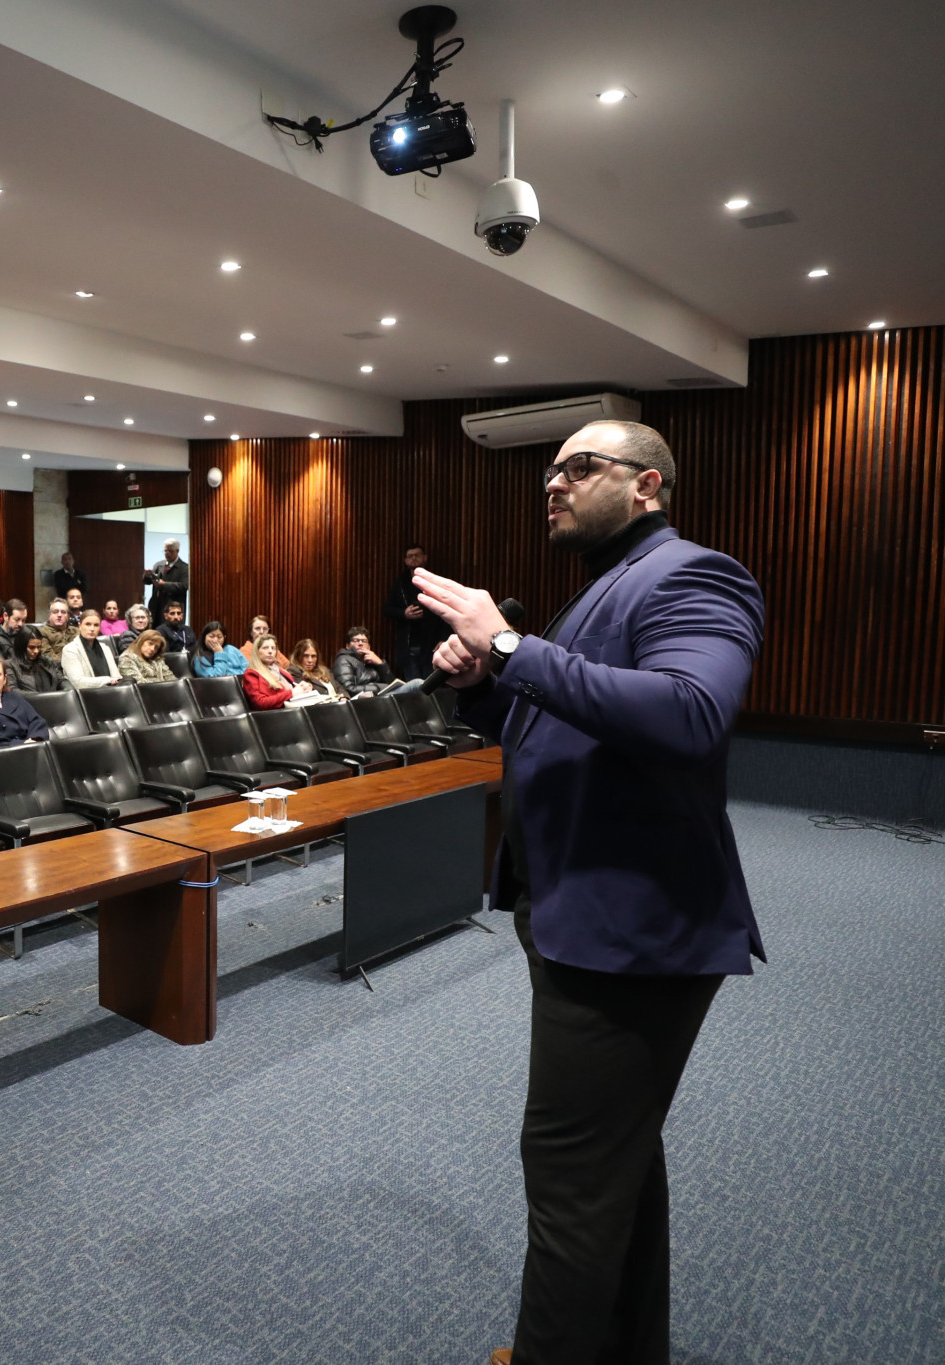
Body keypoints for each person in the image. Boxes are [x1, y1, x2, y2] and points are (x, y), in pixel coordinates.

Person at [417, 419, 765, 1365]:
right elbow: (561, 720)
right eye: (548, 474)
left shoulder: (694, 573)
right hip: (583, 911)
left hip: (632, 930)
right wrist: (487, 680)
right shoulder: (603, 586)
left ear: (647, 484)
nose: (552, 485)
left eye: (579, 467)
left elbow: (690, 715)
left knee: (569, 1173)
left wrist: (514, 645)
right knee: (614, 1160)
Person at [383, 542, 445, 682]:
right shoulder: (399, 585)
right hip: (409, 645)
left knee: (432, 687)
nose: (414, 559)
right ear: (405, 561)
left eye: (417, 555)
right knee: (414, 690)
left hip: (432, 645)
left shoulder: (435, 582)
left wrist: (444, 638)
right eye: (410, 556)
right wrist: (404, 613)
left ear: (425, 558)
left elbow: (445, 612)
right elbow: (387, 609)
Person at [333, 625, 415, 698]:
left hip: (380, 698)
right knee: (415, 684)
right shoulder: (343, 659)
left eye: (364, 641)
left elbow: (392, 684)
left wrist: (380, 664)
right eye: (355, 640)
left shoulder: (371, 661)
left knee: (416, 689)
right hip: (363, 700)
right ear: (347, 646)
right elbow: (347, 689)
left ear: (368, 647)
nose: (360, 643)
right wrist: (378, 688)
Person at [242, 634, 315, 710]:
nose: (270, 651)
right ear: (257, 651)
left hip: (292, 709)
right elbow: (260, 703)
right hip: (273, 716)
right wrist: (292, 693)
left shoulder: (281, 671)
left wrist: (304, 688)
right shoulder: (251, 674)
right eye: (265, 648)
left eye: (273, 648)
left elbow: (293, 690)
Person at [60, 610, 123, 689]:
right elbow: (78, 683)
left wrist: (113, 681)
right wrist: (107, 680)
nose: (92, 629)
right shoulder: (70, 650)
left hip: (111, 692)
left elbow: (116, 677)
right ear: (79, 626)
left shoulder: (106, 648)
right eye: (88, 624)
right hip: (84, 696)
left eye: (96, 625)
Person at [6, 627, 64, 693]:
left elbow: (61, 680)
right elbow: (13, 690)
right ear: (22, 646)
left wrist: (68, 689)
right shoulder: (10, 665)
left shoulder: (46, 661)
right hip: (27, 702)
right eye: (31, 647)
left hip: (52, 700)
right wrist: (40, 697)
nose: (36, 651)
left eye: (39, 647)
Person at [143, 538, 189, 618]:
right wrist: (147, 575)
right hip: (156, 606)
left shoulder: (185, 568)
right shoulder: (159, 565)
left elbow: (184, 586)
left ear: (177, 551)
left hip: (174, 609)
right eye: (165, 551)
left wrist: (164, 584)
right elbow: (147, 582)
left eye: (170, 551)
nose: (167, 554)